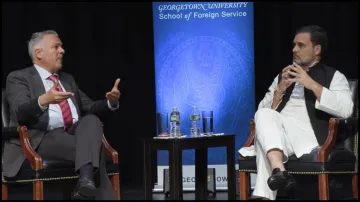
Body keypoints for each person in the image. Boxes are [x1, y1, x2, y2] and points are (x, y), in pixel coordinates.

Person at [239, 25, 354, 200]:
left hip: (308, 137)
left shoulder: (334, 76)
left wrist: (312, 84)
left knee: (265, 141)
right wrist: (279, 90)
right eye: (294, 45)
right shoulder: (283, 76)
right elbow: (262, 112)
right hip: (280, 136)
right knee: (263, 114)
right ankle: (279, 170)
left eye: (301, 45)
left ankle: (263, 193)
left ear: (317, 49)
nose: (294, 50)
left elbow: (346, 109)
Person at [3, 30, 121, 200]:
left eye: (62, 47)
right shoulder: (18, 77)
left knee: (91, 120)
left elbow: (90, 108)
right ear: (38, 53)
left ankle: (85, 183)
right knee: (95, 148)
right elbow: (20, 111)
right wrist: (44, 100)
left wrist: (111, 102)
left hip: (70, 134)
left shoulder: (67, 80)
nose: (62, 51)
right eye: (56, 47)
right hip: (39, 139)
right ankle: (85, 186)